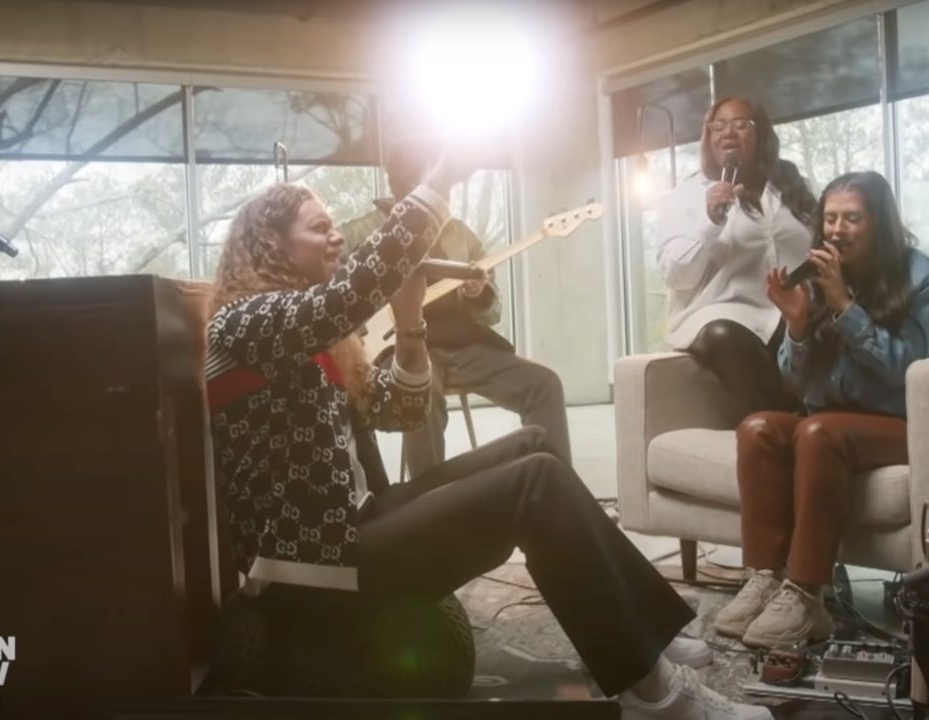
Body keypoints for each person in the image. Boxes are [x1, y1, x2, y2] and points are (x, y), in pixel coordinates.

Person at [204, 158, 771, 718]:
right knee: (535, 485)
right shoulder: (243, 323)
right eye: (319, 227)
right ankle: (658, 698)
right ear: (272, 246)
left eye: (333, 225)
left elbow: (400, 409)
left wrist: (410, 324)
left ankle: (642, 633)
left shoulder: (308, 336)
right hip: (315, 571)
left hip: (358, 523)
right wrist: (440, 178)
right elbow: (351, 293)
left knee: (532, 444)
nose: (335, 237)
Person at [714, 171, 929, 649]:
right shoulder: (815, 276)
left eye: (852, 219)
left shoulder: (926, 278)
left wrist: (844, 305)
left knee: (818, 431)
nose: (838, 230)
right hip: (826, 421)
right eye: (831, 218)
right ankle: (764, 577)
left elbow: (904, 369)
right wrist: (797, 326)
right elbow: (796, 382)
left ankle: (806, 594)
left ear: (879, 223)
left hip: (898, 423)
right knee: (757, 428)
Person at [338, 136, 571, 477]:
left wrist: (479, 294)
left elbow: (492, 313)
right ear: (398, 182)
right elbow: (325, 271)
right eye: (415, 181)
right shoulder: (367, 229)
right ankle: (431, 498)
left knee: (545, 384)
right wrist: (359, 324)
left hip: (465, 347)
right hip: (401, 348)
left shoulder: (460, 234)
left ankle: (558, 486)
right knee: (419, 394)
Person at [655, 97, 817, 415]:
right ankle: (785, 424)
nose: (729, 132)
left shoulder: (792, 187)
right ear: (708, 137)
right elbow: (677, 277)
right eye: (719, 126)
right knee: (724, 335)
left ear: (761, 135)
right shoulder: (685, 197)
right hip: (723, 316)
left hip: (791, 313)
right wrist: (710, 222)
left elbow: (818, 247)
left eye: (742, 125)